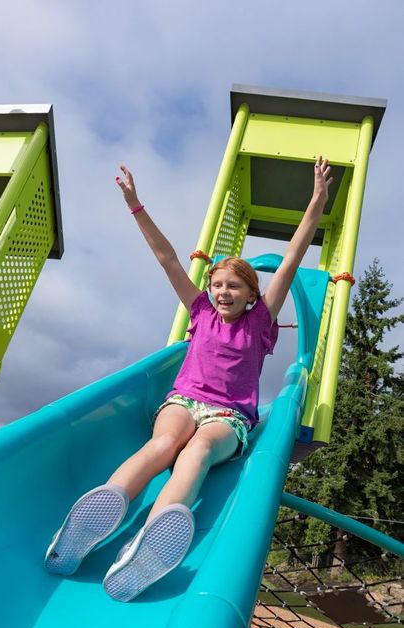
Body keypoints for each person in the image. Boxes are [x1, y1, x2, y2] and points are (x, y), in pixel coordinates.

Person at [45, 158, 333, 602]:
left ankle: (148, 542)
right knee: (163, 446)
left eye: (233, 287)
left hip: (229, 416)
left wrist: (316, 201)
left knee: (196, 451)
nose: (222, 292)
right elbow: (167, 258)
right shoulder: (199, 311)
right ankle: (99, 512)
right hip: (184, 401)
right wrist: (136, 206)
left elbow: (292, 257)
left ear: (252, 294)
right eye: (217, 285)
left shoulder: (260, 321)